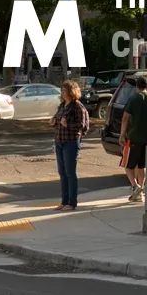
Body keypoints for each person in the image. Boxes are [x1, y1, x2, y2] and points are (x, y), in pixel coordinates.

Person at [120, 74, 147, 203]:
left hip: (133, 136)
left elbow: (125, 117)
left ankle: (135, 187)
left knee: (127, 164)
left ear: (137, 86)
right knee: (142, 166)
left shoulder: (134, 98)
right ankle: (141, 190)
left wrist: (122, 134)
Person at [52, 79, 88, 211]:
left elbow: (82, 126)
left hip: (71, 142)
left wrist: (68, 125)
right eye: (62, 90)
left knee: (70, 173)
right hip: (59, 141)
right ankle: (64, 201)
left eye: (65, 90)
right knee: (62, 172)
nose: (62, 92)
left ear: (71, 91)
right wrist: (53, 121)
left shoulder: (77, 106)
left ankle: (72, 202)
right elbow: (58, 120)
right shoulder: (62, 105)